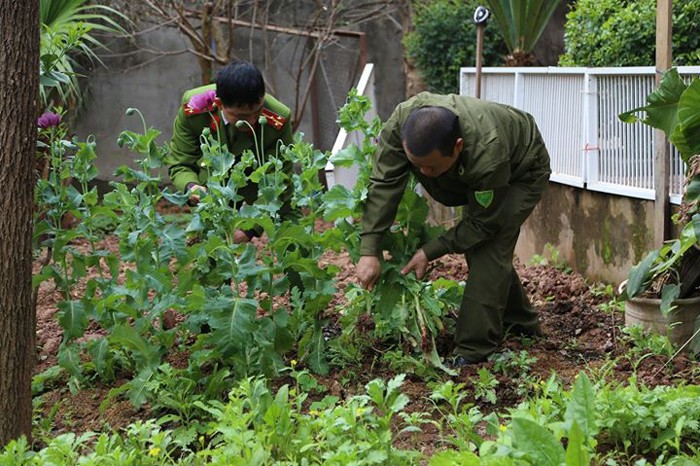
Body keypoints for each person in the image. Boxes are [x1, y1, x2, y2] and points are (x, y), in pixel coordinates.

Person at [355, 92, 551, 365]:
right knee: (485, 250)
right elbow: (384, 183)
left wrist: (430, 251)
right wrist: (369, 249)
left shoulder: (487, 155)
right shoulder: (402, 122)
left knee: (487, 248)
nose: (423, 173)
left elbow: (483, 224)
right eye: (417, 165)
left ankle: (474, 350)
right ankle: (521, 322)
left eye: (431, 167)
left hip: (523, 169)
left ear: (458, 146)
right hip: (477, 166)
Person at [168, 59, 294, 242]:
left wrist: (249, 230)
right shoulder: (195, 108)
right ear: (219, 103)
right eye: (241, 116)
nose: (251, 121)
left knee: (293, 235)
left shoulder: (278, 119)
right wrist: (192, 187)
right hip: (212, 187)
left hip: (257, 185)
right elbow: (180, 164)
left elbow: (279, 181)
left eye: (256, 112)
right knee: (209, 250)